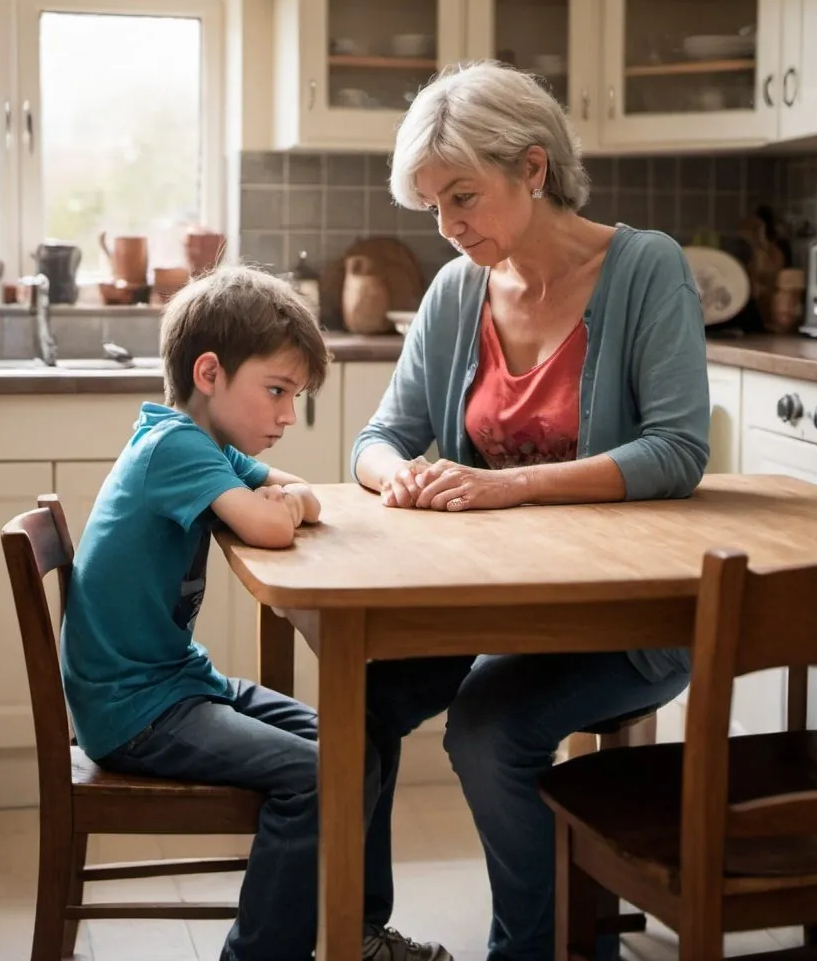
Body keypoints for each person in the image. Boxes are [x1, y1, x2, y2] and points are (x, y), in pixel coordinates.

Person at [352, 62, 710, 961]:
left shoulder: (646, 268)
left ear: (536, 169)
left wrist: (506, 485)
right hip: (485, 604)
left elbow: (676, 451)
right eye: (433, 207)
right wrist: (396, 474)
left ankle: (538, 949)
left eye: (463, 196)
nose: (449, 225)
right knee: (355, 697)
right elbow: (377, 436)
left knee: (485, 731)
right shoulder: (454, 291)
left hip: (622, 613)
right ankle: (360, 932)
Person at [60, 266, 452, 961]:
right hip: (136, 711)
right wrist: (285, 508)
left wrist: (287, 503)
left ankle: (354, 933)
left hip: (173, 684)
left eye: (293, 397)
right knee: (316, 772)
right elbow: (273, 524)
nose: (285, 416)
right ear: (209, 372)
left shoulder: (203, 444)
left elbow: (302, 495)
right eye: (276, 391)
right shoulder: (175, 446)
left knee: (354, 739)